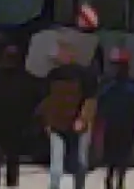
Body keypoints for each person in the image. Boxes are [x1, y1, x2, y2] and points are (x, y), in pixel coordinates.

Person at [36, 42, 98, 189]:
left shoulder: (82, 75)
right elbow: (46, 102)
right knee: (58, 166)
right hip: (59, 124)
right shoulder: (53, 75)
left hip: (76, 124)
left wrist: (82, 118)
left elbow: (90, 100)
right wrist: (47, 122)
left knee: (79, 163)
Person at [0, 44, 41, 186]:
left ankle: (1, 174)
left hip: (3, 119)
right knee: (11, 153)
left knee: (4, 150)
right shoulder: (24, 77)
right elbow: (33, 99)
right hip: (10, 120)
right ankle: (7, 179)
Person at [95, 49, 134, 189]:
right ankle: (119, 181)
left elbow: (102, 105)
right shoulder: (132, 87)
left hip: (113, 123)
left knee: (112, 153)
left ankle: (110, 179)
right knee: (123, 154)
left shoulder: (108, 86)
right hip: (126, 124)